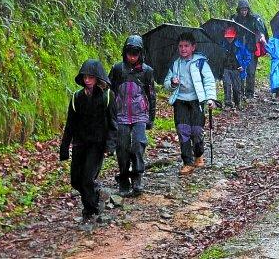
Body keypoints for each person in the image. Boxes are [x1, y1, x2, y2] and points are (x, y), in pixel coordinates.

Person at [59, 59, 117, 220]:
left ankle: (90, 209)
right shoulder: (77, 97)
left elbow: (113, 123)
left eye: (91, 77)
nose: (87, 80)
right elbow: (70, 124)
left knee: (87, 178)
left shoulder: (107, 96)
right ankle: (97, 194)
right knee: (76, 180)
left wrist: (110, 145)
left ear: (98, 78)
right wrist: (64, 147)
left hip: (97, 144)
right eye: (85, 77)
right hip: (80, 143)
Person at [108, 35, 156, 197]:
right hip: (121, 115)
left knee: (138, 144)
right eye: (129, 52)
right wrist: (109, 115)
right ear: (124, 52)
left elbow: (151, 95)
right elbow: (110, 92)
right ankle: (123, 177)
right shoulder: (117, 69)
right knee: (122, 147)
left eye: (136, 52)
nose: (132, 56)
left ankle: (137, 176)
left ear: (141, 53)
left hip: (140, 115)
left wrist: (151, 118)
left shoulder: (147, 72)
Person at [164, 32, 217, 175]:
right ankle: (187, 162)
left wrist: (210, 98)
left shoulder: (201, 63)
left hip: (197, 101)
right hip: (180, 101)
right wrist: (172, 83)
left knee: (197, 131)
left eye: (186, 46)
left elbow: (209, 81)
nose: (183, 49)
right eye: (180, 46)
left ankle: (198, 155)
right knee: (183, 131)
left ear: (193, 47)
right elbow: (166, 84)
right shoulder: (175, 64)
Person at [231, 0, 269, 100]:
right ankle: (240, 93)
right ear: (238, 10)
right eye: (242, 10)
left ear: (248, 9)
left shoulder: (254, 19)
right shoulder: (234, 19)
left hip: (251, 48)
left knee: (251, 71)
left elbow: (260, 30)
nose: (244, 12)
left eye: (245, 9)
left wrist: (262, 38)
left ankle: (250, 93)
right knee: (239, 70)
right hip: (238, 49)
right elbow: (230, 30)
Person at [221, 27, 251, 110]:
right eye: (228, 37)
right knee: (227, 85)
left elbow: (248, 57)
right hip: (226, 68)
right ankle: (228, 104)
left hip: (237, 69)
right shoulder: (223, 45)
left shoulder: (240, 46)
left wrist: (243, 66)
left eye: (231, 37)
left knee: (236, 87)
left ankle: (238, 103)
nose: (229, 39)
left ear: (234, 36)